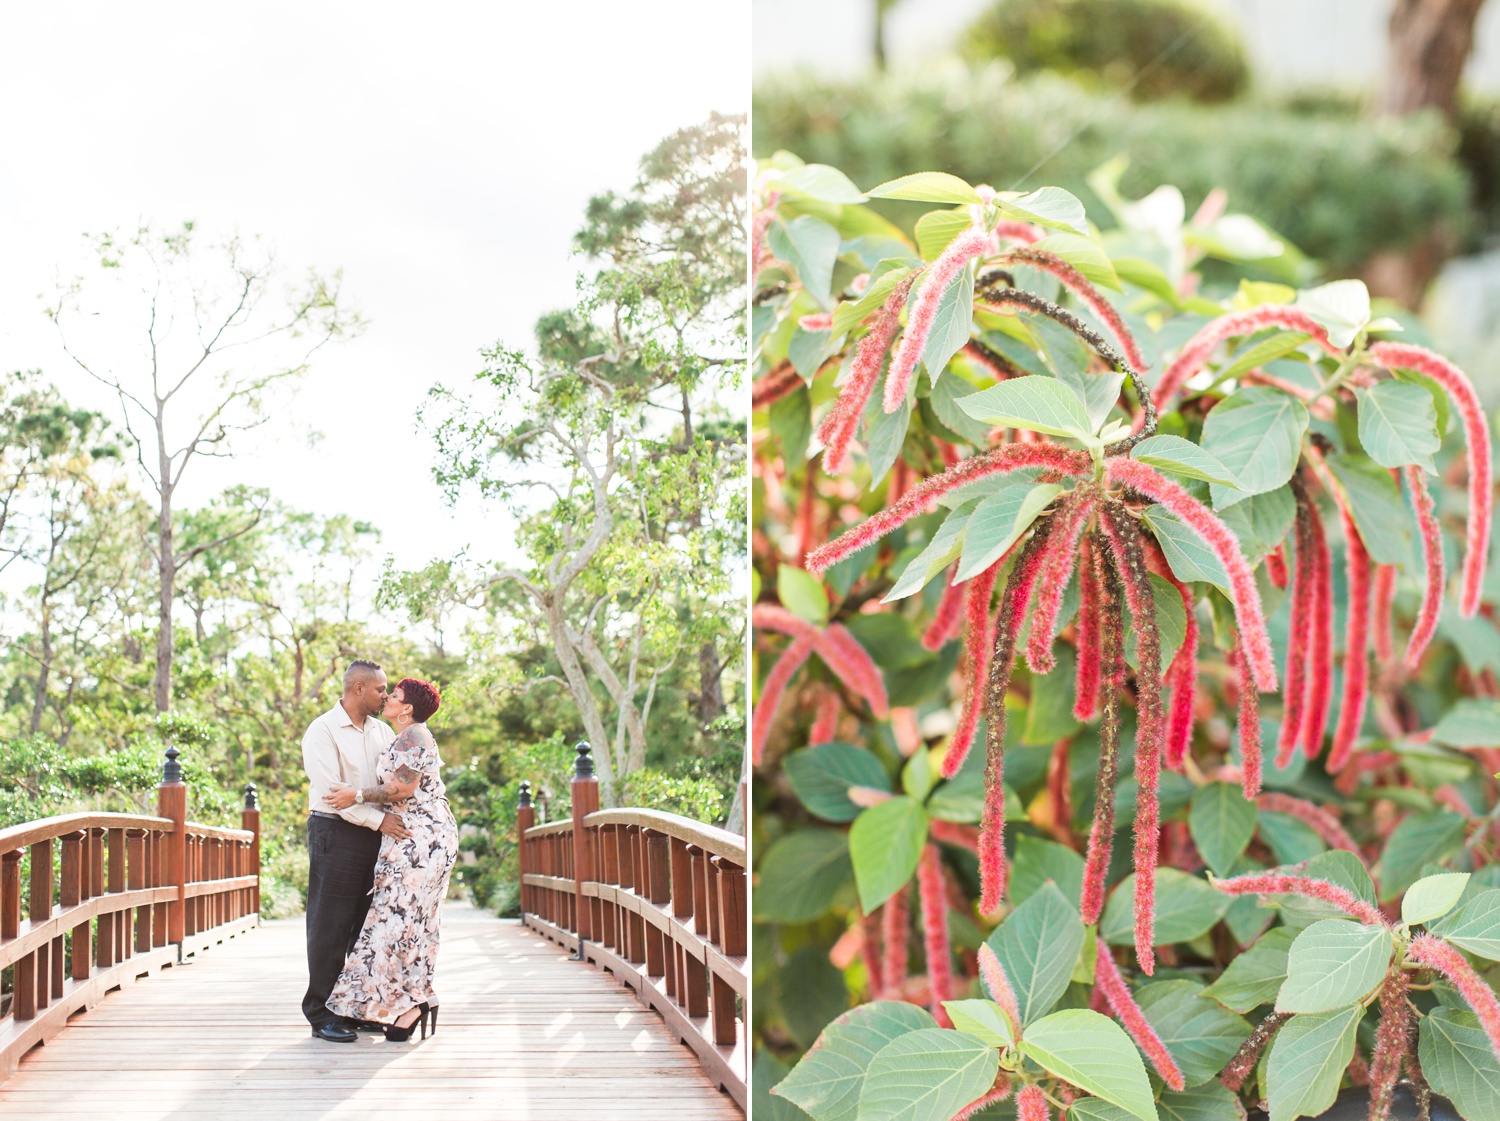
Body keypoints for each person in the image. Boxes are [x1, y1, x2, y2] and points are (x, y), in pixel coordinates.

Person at [324, 677, 458, 1042]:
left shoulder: (415, 735)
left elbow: (402, 788)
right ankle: (413, 1001)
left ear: (408, 707)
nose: (387, 699)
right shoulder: (400, 736)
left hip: (423, 840)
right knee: (409, 921)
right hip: (410, 836)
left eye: (394, 695)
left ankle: (402, 1003)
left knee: (395, 920)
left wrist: (356, 795)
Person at [300, 659, 411, 1043]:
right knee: (330, 925)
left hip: (376, 836)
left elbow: (393, 784)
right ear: (359, 689)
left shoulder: (382, 732)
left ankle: (353, 1007)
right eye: (381, 689)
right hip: (335, 832)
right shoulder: (322, 730)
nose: (386, 695)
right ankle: (321, 1013)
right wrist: (379, 821)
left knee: (366, 927)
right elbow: (333, 795)